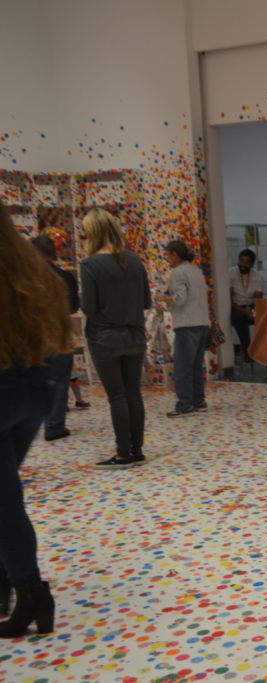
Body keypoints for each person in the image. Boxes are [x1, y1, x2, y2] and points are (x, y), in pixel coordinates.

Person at [0, 204, 69, 637]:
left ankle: (29, 590)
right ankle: (12, 580)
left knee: (4, 502)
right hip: (33, 390)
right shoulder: (32, 270)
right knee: (5, 492)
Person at [80, 208, 152, 469]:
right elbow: (146, 301)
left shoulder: (90, 264)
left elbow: (88, 306)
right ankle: (137, 450)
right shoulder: (134, 260)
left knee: (117, 396)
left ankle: (123, 453)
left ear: (92, 233)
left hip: (104, 337)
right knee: (133, 393)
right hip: (134, 336)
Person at [31, 234, 79, 442]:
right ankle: (55, 425)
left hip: (32, 336)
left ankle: (35, 422)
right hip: (59, 334)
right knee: (60, 380)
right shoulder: (65, 277)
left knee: (33, 380)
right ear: (54, 253)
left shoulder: (24, 279)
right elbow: (74, 307)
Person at [157, 241, 210, 417]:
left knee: (182, 367)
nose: (166, 260)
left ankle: (185, 403)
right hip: (202, 322)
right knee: (195, 365)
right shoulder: (196, 271)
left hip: (187, 324)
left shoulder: (178, 273)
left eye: (167, 255)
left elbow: (180, 299)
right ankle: (198, 400)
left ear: (175, 255)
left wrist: (162, 298)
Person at [228, 248, 263, 361]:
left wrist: (254, 312)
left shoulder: (257, 276)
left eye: (247, 262)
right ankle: (247, 350)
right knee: (238, 318)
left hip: (251, 306)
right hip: (236, 307)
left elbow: (258, 300)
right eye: (241, 261)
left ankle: (265, 349)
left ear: (252, 263)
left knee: (266, 317)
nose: (243, 264)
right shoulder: (231, 273)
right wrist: (245, 312)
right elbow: (228, 300)